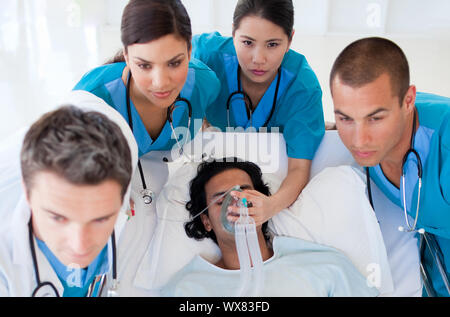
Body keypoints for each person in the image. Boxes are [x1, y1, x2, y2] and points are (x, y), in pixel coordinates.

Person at [330, 37, 450, 296]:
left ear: (408, 101)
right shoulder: (368, 149)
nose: (359, 140)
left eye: (375, 118)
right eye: (345, 118)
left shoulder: (444, 142)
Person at [191, 0, 325, 226]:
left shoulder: (302, 87)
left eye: (272, 44)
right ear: (233, 33)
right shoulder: (206, 55)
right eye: (247, 42)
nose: (258, 59)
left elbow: (299, 168)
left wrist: (271, 206)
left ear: (290, 39)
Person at [160, 159, 378, 297]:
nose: (236, 204)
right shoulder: (184, 289)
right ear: (206, 221)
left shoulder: (326, 268)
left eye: (245, 194)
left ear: (263, 204)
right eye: (221, 200)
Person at [0, 91, 138, 297]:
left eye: (101, 218)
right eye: (57, 217)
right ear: (26, 193)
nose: (80, 245)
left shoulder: (124, 157)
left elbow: (84, 101)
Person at [74, 0, 220, 157]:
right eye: (144, 65)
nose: (161, 82)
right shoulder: (92, 100)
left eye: (174, 63)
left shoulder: (204, 83)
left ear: (189, 51)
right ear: (127, 56)